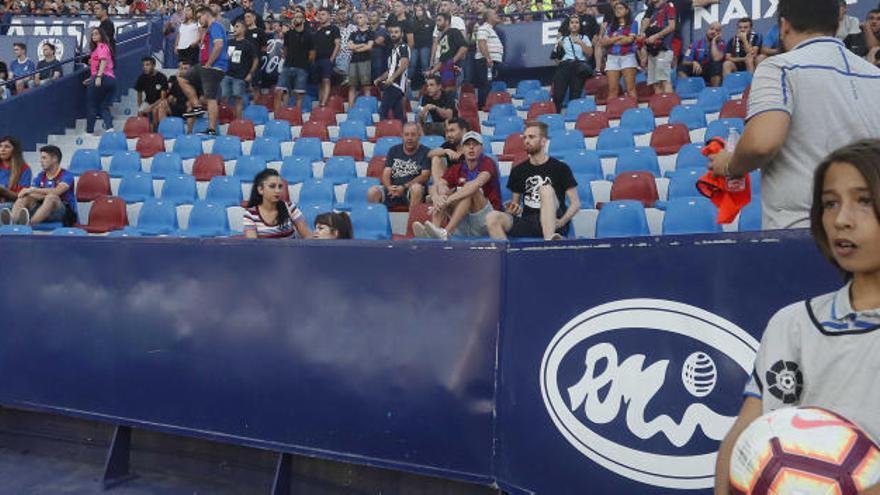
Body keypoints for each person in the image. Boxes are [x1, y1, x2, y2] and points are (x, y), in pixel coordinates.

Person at [713, 139, 880, 494]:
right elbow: (746, 432)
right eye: (829, 203)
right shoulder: (792, 323)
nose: (841, 220)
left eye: (863, 200)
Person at [707, 0, 880, 230]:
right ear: (837, 23)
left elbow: (760, 144)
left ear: (784, 25)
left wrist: (728, 165)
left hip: (806, 232)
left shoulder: (779, 67)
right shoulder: (874, 74)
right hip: (870, 235)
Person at [486, 121, 579, 241]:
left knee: (545, 189)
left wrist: (562, 222)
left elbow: (575, 203)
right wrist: (513, 209)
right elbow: (516, 204)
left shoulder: (560, 168)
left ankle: (549, 242)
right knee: (492, 217)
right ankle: (508, 257)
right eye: (524, 137)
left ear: (543, 141)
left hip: (554, 220)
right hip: (529, 221)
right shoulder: (518, 170)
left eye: (531, 137)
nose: (526, 140)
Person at [414, 132, 501, 240]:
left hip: (487, 221)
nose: (471, 147)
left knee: (470, 189)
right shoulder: (458, 168)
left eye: (475, 144)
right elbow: (437, 185)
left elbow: (476, 183)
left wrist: (448, 200)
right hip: (463, 223)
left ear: (481, 148)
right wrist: (437, 196)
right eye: (467, 144)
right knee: (443, 191)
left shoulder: (487, 162)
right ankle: (434, 232)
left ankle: (446, 232)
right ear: (462, 149)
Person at [179, 6, 228, 136]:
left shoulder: (216, 26)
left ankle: (211, 129)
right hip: (204, 65)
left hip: (214, 66)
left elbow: (219, 45)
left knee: (211, 98)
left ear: (207, 15)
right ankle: (197, 106)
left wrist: (209, 63)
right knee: (182, 78)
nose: (199, 21)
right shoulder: (208, 29)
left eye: (200, 17)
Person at [3, 145, 75, 227]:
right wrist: (30, 194)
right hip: (42, 210)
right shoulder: (41, 176)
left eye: (44, 158)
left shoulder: (67, 175)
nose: (41, 161)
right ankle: (12, 223)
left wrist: (32, 190)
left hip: (61, 213)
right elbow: (35, 195)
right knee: (25, 197)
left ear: (54, 159)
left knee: (51, 197)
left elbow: (57, 191)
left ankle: (29, 225)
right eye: (41, 158)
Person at [368, 122, 429, 208]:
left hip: (410, 190)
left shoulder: (425, 152)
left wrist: (404, 187)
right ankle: (378, 220)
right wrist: (389, 187)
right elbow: (386, 172)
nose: (409, 138)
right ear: (402, 136)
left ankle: (411, 221)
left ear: (419, 136)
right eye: (407, 134)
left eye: (413, 135)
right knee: (372, 191)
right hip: (393, 189)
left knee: (417, 189)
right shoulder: (393, 150)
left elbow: (424, 176)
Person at [243, 168, 312, 239]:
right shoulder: (250, 214)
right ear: (260, 189)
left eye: (280, 186)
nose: (277, 191)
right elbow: (253, 245)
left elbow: (307, 236)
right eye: (272, 186)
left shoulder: (290, 207)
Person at [552, 17, 593, 112]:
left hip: (578, 67)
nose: (574, 24)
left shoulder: (584, 38)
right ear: (568, 25)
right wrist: (559, 47)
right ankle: (557, 115)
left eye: (577, 22)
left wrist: (581, 43)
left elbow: (590, 53)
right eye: (572, 22)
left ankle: (573, 115)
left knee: (575, 95)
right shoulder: (561, 39)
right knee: (558, 94)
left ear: (580, 25)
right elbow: (555, 57)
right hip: (564, 66)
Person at [277, 11, 314, 112]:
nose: (296, 19)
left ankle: (297, 115)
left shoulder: (309, 35)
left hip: (302, 68)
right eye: (295, 17)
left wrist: (305, 63)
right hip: (287, 66)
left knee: (299, 94)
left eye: (299, 17)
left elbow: (312, 53)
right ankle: (282, 114)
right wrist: (287, 57)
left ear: (303, 19)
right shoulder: (288, 34)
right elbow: (285, 49)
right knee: (281, 91)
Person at [223, 19, 258, 120]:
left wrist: (250, 73)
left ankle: (237, 121)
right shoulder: (229, 42)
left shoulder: (248, 44)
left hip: (240, 76)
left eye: (237, 26)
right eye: (234, 26)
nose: (234, 28)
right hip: (227, 74)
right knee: (224, 98)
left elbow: (255, 59)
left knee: (238, 99)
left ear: (243, 29)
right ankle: (229, 118)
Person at [602, 1, 639, 99]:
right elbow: (604, 42)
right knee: (612, 90)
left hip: (627, 56)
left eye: (620, 8)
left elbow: (629, 40)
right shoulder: (611, 26)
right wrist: (619, 37)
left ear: (627, 10)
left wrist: (612, 40)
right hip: (612, 58)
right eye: (616, 8)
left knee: (630, 89)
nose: (617, 10)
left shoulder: (633, 23)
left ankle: (634, 111)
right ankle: (610, 112)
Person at [83, 28, 116, 136]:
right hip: (109, 79)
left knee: (91, 105)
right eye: (92, 34)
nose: (93, 36)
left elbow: (103, 61)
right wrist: (92, 77)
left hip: (102, 78)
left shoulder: (101, 46)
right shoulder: (100, 48)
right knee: (103, 106)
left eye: (96, 34)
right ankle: (110, 128)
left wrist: (98, 76)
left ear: (102, 35)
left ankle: (89, 131)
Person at [374, 23, 409, 122]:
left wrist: (392, 78)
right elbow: (390, 70)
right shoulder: (394, 50)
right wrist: (380, 79)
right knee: (399, 115)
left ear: (402, 34)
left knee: (383, 111)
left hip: (395, 85)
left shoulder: (403, 47)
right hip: (394, 85)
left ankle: (381, 135)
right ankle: (402, 133)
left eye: (396, 32)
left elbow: (404, 64)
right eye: (391, 32)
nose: (393, 34)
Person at [427, 12, 467, 95]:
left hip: (453, 68)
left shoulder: (454, 31)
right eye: (436, 21)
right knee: (446, 94)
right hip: (444, 69)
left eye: (439, 20)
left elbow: (464, 47)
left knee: (450, 94)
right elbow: (443, 60)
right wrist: (432, 71)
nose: (437, 23)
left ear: (447, 21)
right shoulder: (442, 37)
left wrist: (452, 61)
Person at [641, 0, 676, 94]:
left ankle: (669, 107)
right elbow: (646, 31)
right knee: (655, 83)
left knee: (664, 80)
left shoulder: (668, 6)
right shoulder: (651, 10)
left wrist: (656, 36)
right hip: (652, 51)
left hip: (664, 48)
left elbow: (672, 26)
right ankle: (660, 107)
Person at [473, 10, 503, 110]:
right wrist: (488, 58)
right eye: (494, 14)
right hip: (485, 61)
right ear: (488, 17)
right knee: (485, 84)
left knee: (487, 84)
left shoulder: (490, 29)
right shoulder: (484, 28)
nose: (497, 15)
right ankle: (482, 106)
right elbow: (482, 43)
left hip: (487, 61)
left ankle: (484, 105)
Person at [678, 21, 725, 87]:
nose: (713, 32)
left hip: (711, 72)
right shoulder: (695, 43)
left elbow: (716, 58)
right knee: (681, 67)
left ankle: (714, 91)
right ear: (707, 30)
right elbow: (685, 60)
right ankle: (689, 88)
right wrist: (693, 62)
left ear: (719, 33)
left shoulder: (721, 44)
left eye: (717, 30)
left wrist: (714, 42)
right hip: (698, 69)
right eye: (711, 29)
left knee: (716, 65)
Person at [311, 8, 340, 107]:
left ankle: (323, 103)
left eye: (323, 14)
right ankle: (320, 101)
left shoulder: (334, 28)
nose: (320, 16)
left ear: (329, 16)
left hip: (327, 59)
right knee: (319, 83)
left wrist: (332, 58)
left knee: (326, 80)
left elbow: (337, 44)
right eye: (319, 15)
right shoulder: (317, 31)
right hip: (317, 60)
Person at [346, 12, 374, 108]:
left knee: (366, 86)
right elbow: (349, 46)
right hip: (353, 61)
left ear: (366, 19)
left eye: (361, 17)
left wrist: (355, 48)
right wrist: (362, 45)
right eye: (357, 18)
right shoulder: (353, 33)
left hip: (365, 61)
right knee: (352, 86)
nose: (358, 19)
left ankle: (367, 108)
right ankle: (350, 109)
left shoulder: (370, 32)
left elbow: (369, 47)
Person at [428, 116, 468, 184]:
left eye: (452, 131)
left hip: (466, 182)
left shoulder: (472, 146)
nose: (448, 135)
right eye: (447, 131)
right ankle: (439, 188)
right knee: (436, 158)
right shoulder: (449, 145)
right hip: (449, 182)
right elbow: (430, 154)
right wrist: (445, 151)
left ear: (464, 131)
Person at [134, 56, 168, 130]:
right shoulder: (141, 78)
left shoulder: (161, 77)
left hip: (160, 102)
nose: (145, 67)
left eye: (147, 65)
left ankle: (157, 130)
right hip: (148, 101)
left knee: (155, 110)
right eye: (144, 65)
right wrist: (141, 107)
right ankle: (144, 132)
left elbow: (163, 98)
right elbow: (139, 94)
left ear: (153, 65)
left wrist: (151, 107)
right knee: (140, 112)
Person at [0, 136, 32, 211]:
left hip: (12, 203)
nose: (2, 149)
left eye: (7, 147)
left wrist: (4, 191)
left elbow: (22, 197)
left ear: (15, 150)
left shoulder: (24, 169)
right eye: (0, 146)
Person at [409, 4, 434, 90]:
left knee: (424, 64)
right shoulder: (412, 22)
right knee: (412, 64)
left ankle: (428, 84)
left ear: (423, 11)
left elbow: (434, 35)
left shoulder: (430, 21)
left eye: (420, 10)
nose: (418, 12)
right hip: (415, 47)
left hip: (426, 46)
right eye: (416, 10)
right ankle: (407, 83)